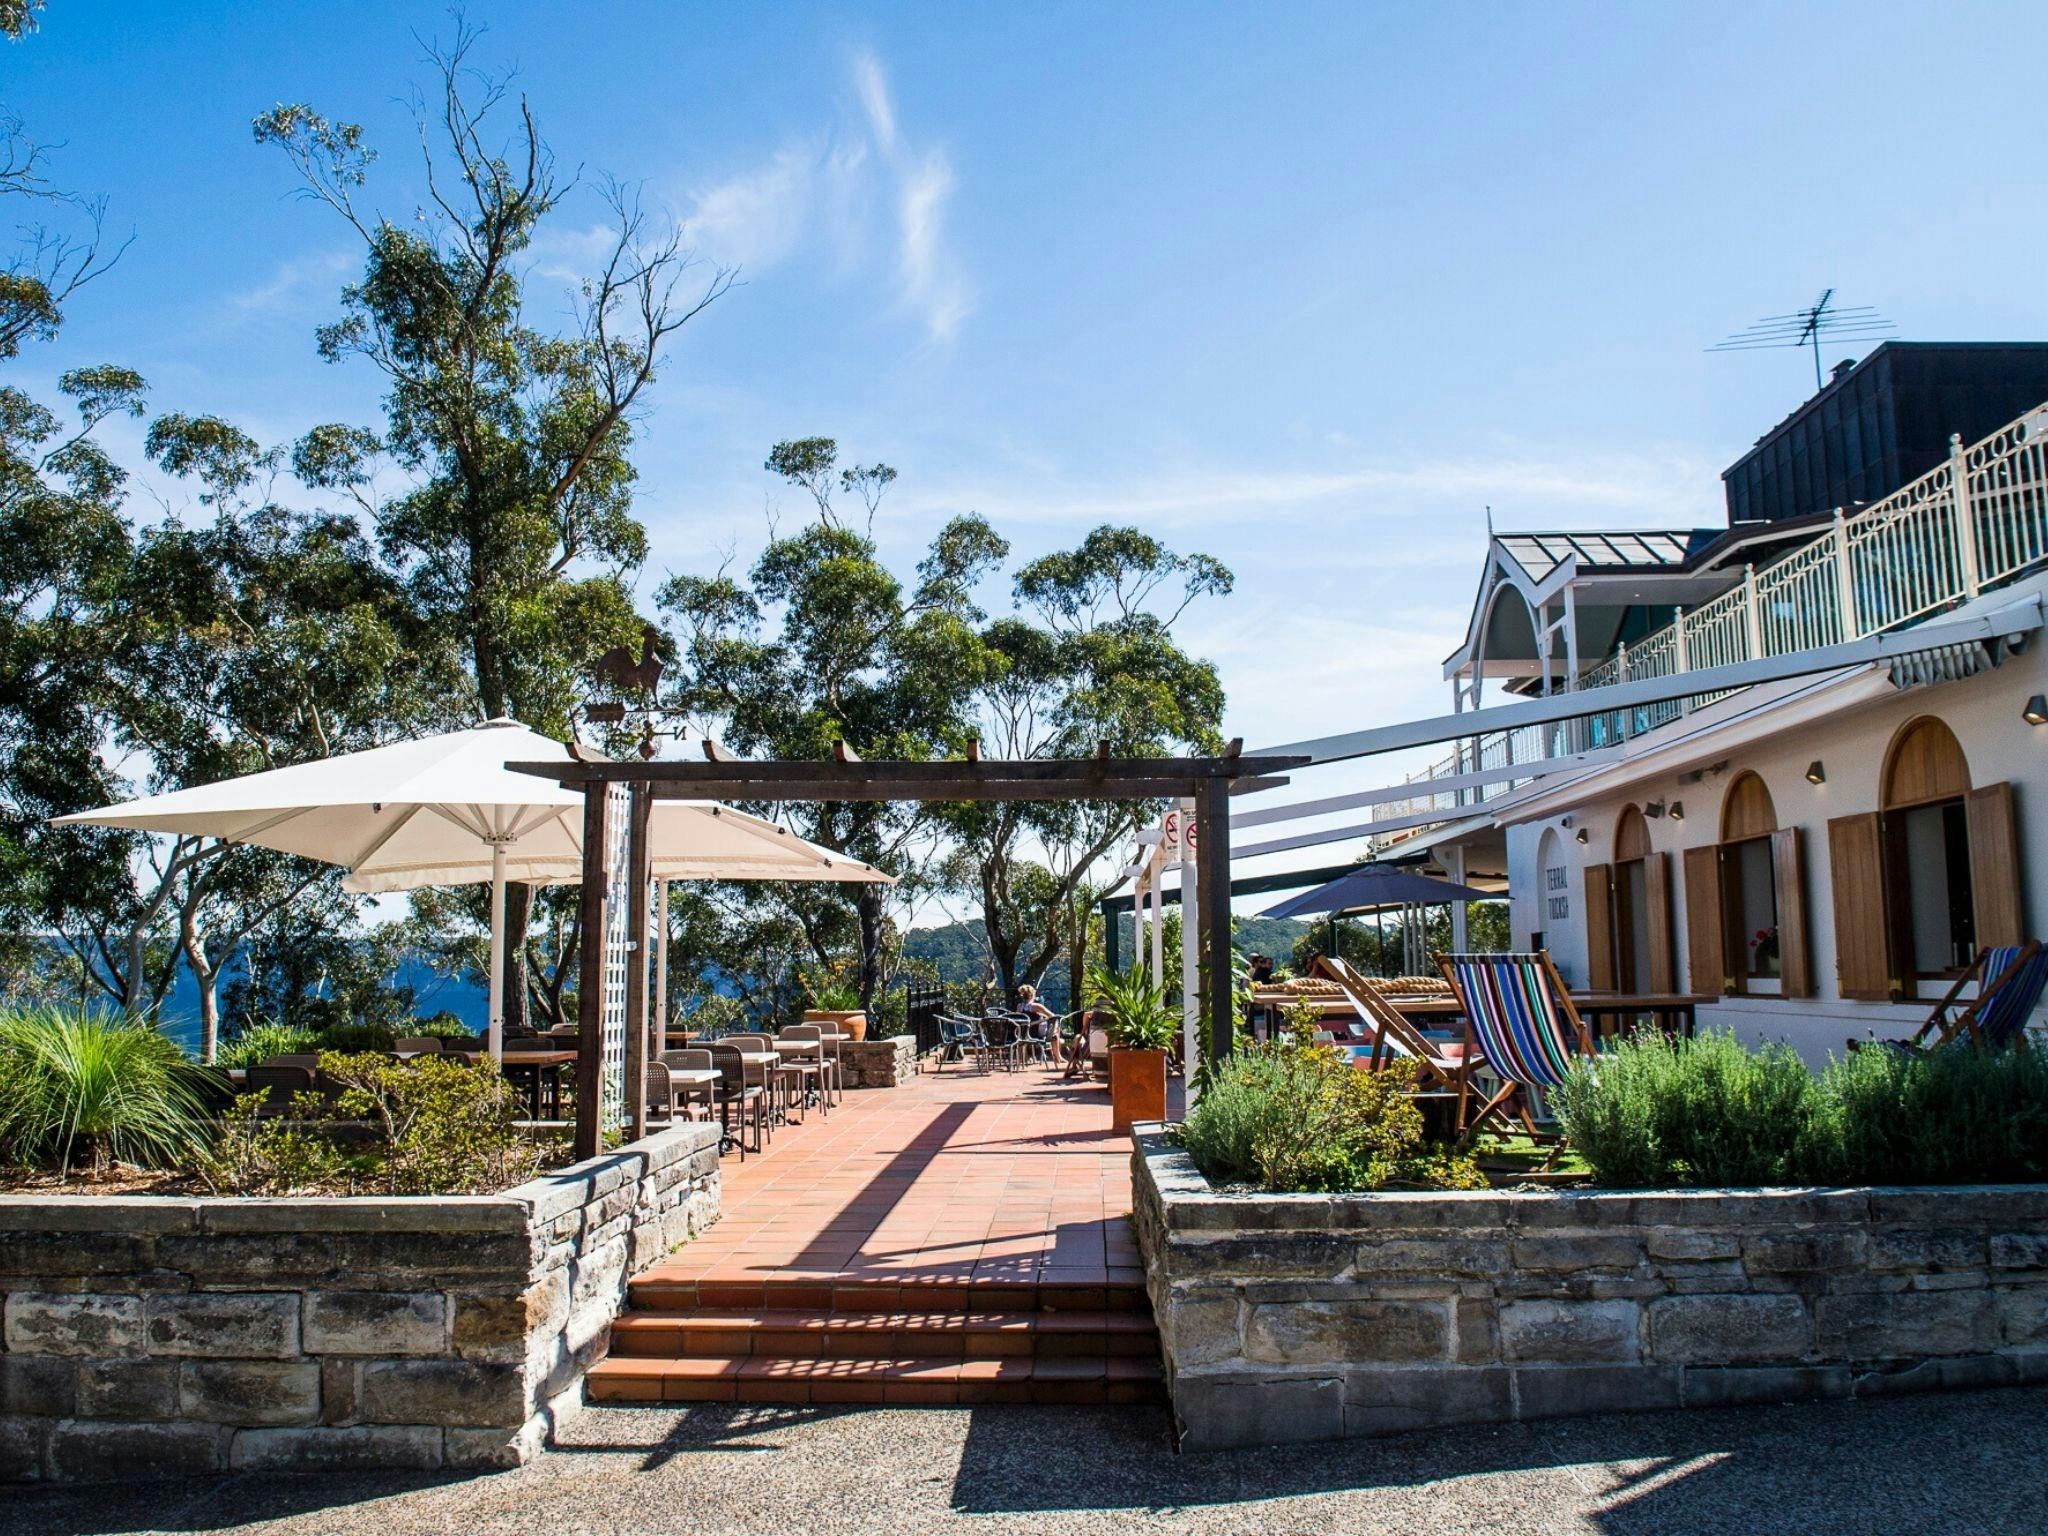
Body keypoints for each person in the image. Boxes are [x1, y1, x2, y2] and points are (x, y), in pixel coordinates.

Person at [1016, 983, 1059, 1066]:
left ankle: (1026, 1057)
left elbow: (1018, 1019)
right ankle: (1058, 1057)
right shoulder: (1036, 1006)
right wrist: (1044, 1018)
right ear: (1032, 995)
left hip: (1023, 1034)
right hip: (1035, 1034)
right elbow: (1053, 1016)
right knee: (1055, 1033)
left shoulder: (1019, 1007)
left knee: (1054, 1032)